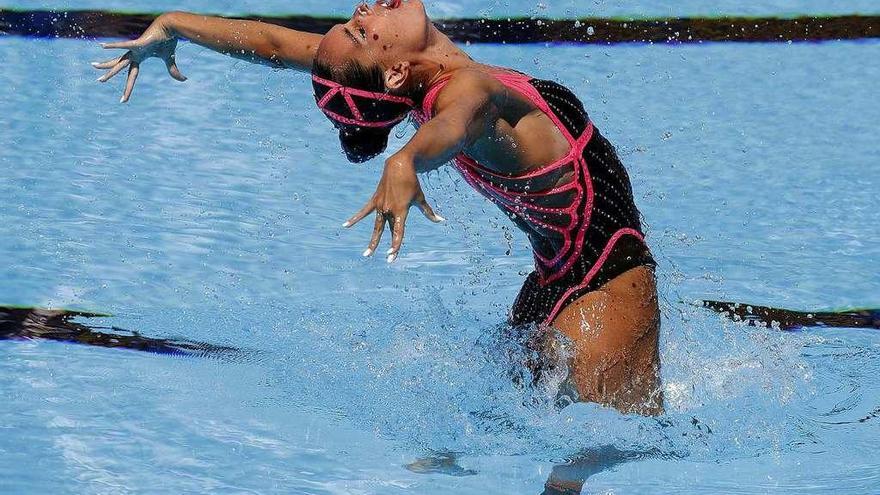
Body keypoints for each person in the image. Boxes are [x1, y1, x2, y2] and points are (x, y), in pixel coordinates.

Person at [92, 0, 662, 415]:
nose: (364, 9)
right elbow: (457, 122)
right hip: (606, 285)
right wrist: (407, 161)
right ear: (393, 70)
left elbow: (272, 44)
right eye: (362, 29)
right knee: (597, 450)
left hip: (548, 285)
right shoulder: (461, 92)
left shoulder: (406, 84)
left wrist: (174, 24)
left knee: (535, 432)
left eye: (353, 22)